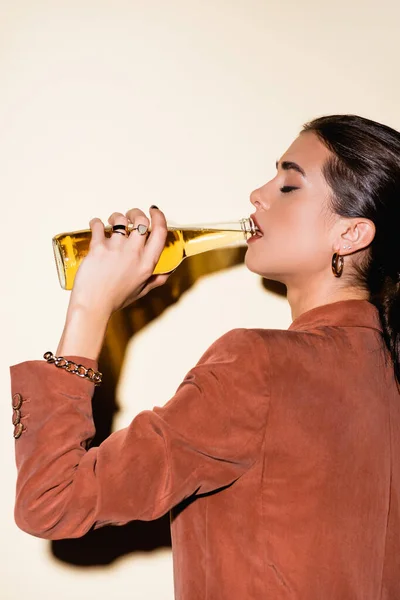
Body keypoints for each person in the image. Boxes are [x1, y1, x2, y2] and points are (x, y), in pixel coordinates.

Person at [10, 114, 400, 599]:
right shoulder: (388, 378)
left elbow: (52, 501)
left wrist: (91, 308)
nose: (258, 193)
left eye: (289, 185)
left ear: (350, 234)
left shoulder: (260, 366)